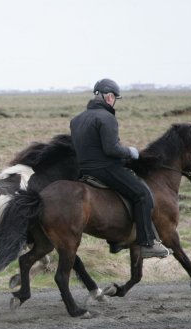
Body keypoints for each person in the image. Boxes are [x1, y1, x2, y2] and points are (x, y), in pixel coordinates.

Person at [69, 78, 172, 258]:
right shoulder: (107, 118)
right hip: (106, 169)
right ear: (109, 97)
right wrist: (130, 152)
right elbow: (111, 149)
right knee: (142, 194)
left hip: (83, 171)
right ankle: (147, 243)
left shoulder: (76, 119)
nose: (114, 100)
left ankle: (119, 240)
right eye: (114, 97)